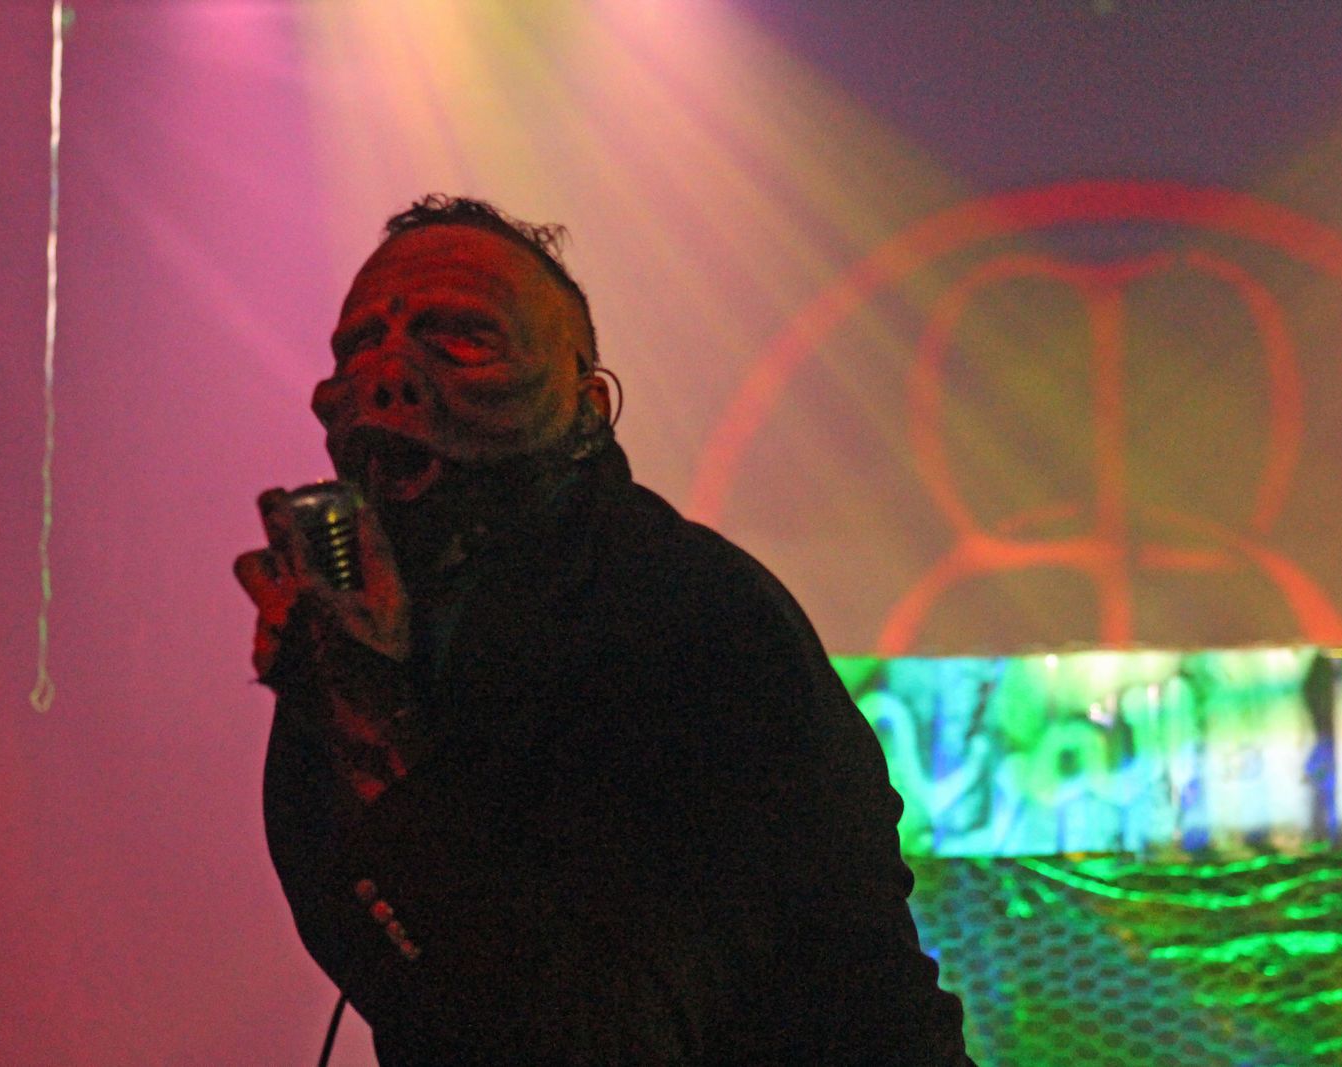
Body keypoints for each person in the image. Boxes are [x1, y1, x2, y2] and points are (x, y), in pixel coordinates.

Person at [235, 196, 975, 1065]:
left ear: (588, 405)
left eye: (462, 337)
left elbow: (600, 1038)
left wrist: (377, 733)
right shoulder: (362, 646)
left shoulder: (694, 617)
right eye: (360, 345)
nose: (387, 376)